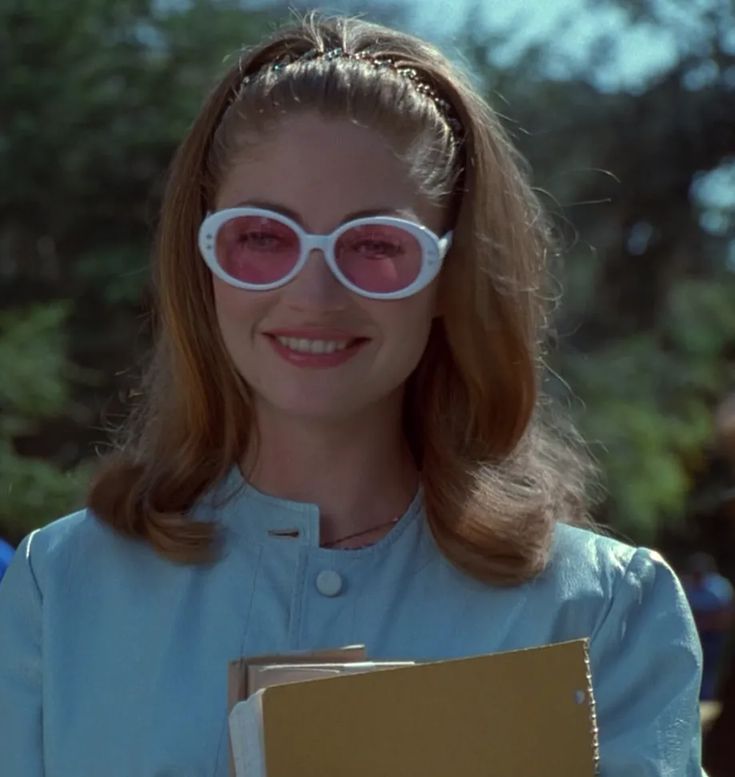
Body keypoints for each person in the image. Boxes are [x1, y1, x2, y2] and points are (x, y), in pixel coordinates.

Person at [0, 12, 703, 776]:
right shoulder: (61, 587)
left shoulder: (602, 612)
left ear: (449, 275)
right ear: (202, 261)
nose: (313, 292)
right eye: (263, 236)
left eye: (375, 244)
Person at [683, 552, 734, 701]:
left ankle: (706, 698)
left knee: (710, 666)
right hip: (692, 633)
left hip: (714, 634)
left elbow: (726, 612)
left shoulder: (719, 586)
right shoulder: (687, 585)